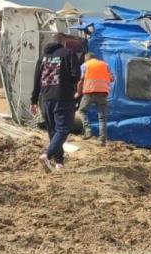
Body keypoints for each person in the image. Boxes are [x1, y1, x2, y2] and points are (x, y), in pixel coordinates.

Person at [31, 39, 80, 170]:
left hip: (45, 98)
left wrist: (33, 100)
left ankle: (59, 163)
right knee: (63, 129)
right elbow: (76, 75)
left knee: (53, 131)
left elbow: (36, 80)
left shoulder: (42, 57)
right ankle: (47, 155)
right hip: (63, 96)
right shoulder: (68, 53)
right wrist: (71, 85)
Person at [76, 52, 113, 145]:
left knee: (82, 111)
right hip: (103, 93)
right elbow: (112, 79)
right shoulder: (106, 65)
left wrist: (78, 93)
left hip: (89, 92)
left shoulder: (85, 65)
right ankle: (102, 140)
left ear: (87, 59)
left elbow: (80, 81)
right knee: (102, 117)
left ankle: (88, 130)